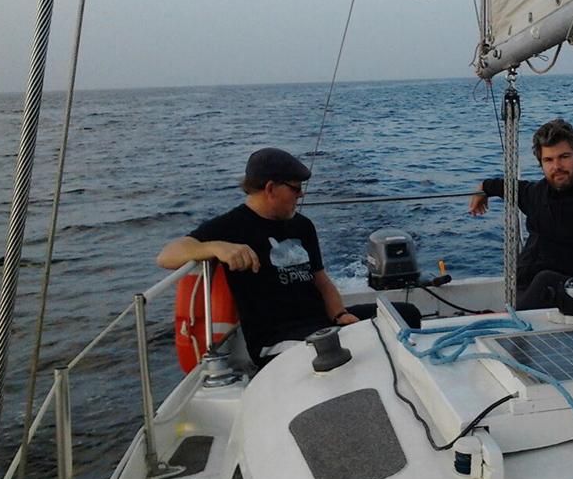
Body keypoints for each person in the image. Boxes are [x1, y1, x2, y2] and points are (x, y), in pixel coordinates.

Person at [157, 147, 420, 367]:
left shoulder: (302, 225)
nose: (301, 194)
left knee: (406, 313)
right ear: (271, 188)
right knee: (349, 344)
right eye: (296, 188)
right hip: (275, 339)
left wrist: (339, 314)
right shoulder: (230, 227)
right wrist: (215, 248)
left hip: (322, 323)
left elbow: (320, 280)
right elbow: (167, 256)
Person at [468, 119, 573, 309]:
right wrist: (483, 188)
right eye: (548, 160)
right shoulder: (537, 193)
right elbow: (506, 186)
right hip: (526, 291)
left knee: (545, 280)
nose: (556, 166)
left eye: (564, 157)